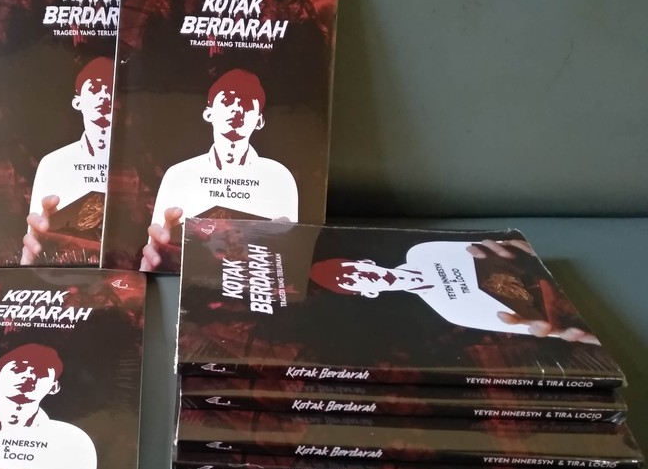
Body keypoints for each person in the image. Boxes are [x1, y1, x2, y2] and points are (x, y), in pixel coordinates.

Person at [141, 68, 297, 271]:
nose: (237, 108)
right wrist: (155, 261)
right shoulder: (178, 175)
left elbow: (287, 261)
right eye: (227, 101)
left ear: (259, 121)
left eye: (247, 103)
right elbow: (157, 249)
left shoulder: (279, 178)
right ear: (209, 113)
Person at [308, 237, 601, 343]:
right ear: (367, 293)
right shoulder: (450, 313)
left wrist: (528, 252)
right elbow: (538, 324)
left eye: (353, 269)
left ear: (366, 262)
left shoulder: (424, 252)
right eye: (351, 282)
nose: (360, 275)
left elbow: (501, 254)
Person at [22, 57, 114, 265]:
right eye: (95, 88)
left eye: (110, 88)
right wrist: (30, 257)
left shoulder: (135, 167)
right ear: (77, 102)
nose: (104, 95)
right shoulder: (53, 164)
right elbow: (33, 241)